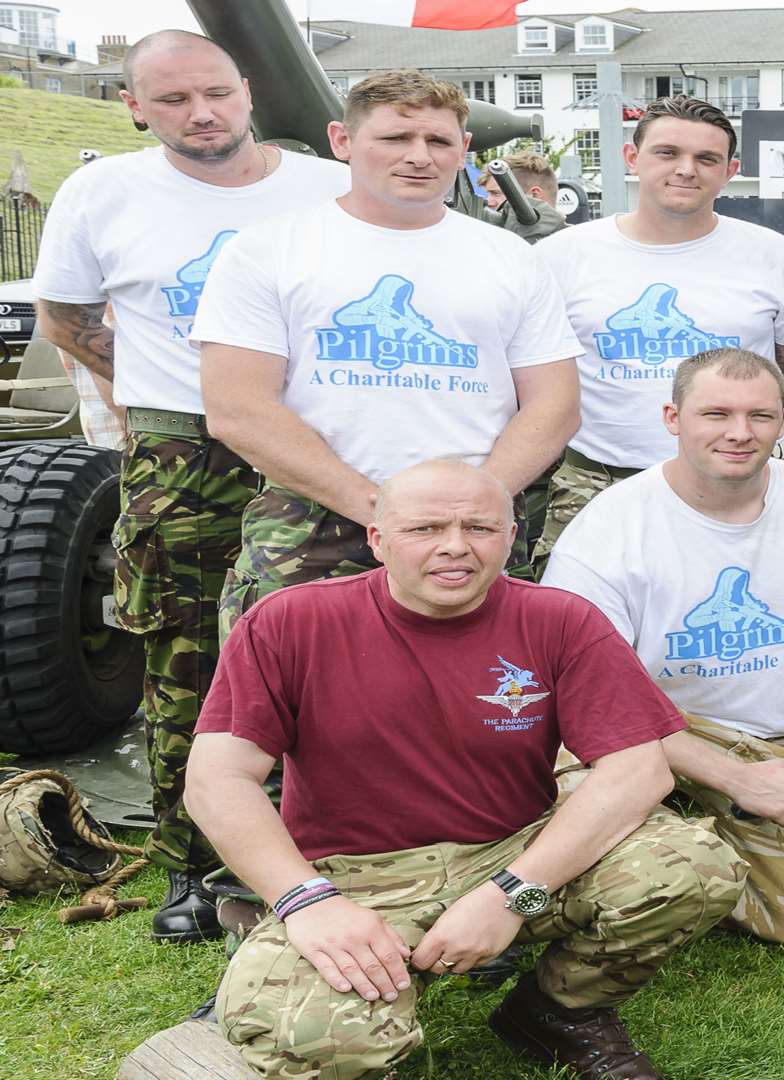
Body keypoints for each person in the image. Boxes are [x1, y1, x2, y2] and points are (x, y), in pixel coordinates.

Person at [185, 458, 745, 1080]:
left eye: (479, 528)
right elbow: (217, 780)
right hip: (354, 877)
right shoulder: (290, 621)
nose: (455, 547)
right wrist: (307, 902)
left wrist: (511, 896)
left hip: (513, 850)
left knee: (693, 869)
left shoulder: (560, 619)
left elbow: (638, 772)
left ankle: (559, 1012)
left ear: (510, 538)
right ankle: (365, 1004)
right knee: (316, 1039)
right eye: (425, 529)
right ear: (378, 540)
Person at [31, 28, 349, 944]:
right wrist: (146, 402)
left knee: (329, 652)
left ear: (248, 90)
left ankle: (329, 843)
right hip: (185, 455)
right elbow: (67, 312)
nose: (201, 113)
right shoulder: (104, 191)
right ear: (134, 106)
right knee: (186, 662)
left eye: (215, 92)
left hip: (314, 438)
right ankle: (197, 866)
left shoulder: (323, 188)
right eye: (172, 100)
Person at [195, 68, 581, 631]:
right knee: (291, 704)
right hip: (315, 522)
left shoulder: (510, 258)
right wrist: (383, 511)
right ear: (342, 141)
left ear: (464, 149)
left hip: (471, 530)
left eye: (438, 140)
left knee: (484, 705)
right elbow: (236, 408)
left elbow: (555, 406)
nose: (419, 156)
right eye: (396, 139)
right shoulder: (269, 250)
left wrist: (470, 509)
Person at [542, 349, 784, 949]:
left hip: (768, 740)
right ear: (672, 417)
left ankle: (689, 838)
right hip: (638, 736)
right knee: (579, 807)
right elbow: (592, 699)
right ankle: (661, 851)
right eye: (715, 413)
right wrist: (734, 780)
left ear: (783, 419)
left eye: (759, 416)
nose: (739, 433)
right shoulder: (608, 530)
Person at [529, 95, 784, 572]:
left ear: (730, 170)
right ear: (633, 158)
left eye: (706, 158)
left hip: (733, 489)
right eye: (667, 153)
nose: (686, 170)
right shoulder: (559, 257)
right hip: (595, 484)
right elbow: (529, 376)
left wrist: (728, 438)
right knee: (577, 634)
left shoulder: (782, 260)